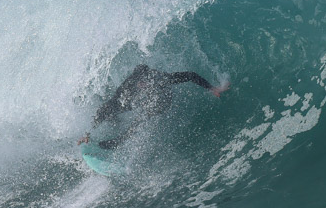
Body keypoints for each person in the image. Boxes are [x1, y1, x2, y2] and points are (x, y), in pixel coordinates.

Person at [77, 64, 229, 150]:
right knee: (109, 110)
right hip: (132, 100)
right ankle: (92, 134)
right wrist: (88, 132)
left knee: (145, 114)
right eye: (143, 83)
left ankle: (118, 141)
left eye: (147, 81)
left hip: (162, 100)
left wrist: (212, 88)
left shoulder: (158, 80)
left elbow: (190, 75)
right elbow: (105, 109)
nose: (146, 84)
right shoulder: (126, 88)